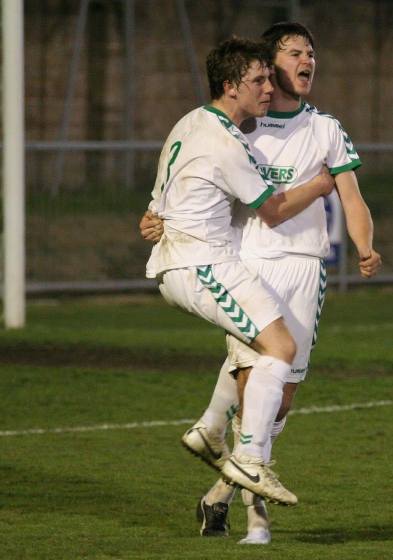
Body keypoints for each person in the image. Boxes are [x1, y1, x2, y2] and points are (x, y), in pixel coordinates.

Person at [140, 22, 381, 543]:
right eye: (293, 52)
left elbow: (352, 196)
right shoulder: (242, 125)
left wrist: (364, 246)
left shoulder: (326, 128)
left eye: (310, 52)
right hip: (245, 258)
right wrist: (162, 217)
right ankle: (256, 519)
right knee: (258, 375)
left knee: (281, 397)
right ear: (266, 68)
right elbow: (235, 197)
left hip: (304, 267)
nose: (306, 60)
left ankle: (218, 491)